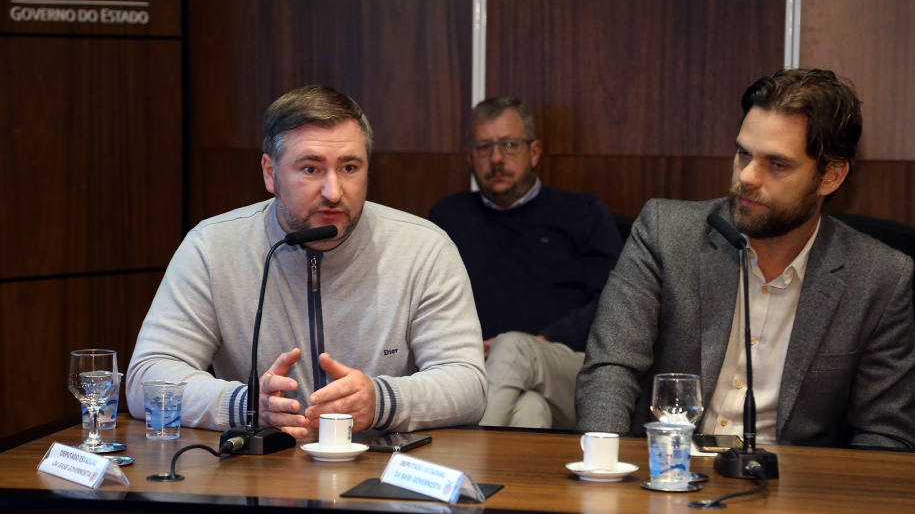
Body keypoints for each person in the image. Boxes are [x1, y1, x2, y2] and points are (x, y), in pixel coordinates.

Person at [576, 68, 915, 448]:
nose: (747, 177)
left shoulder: (881, 278)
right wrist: (605, 467)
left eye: (777, 164)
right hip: (664, 475)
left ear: (830, 176)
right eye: (743, 154)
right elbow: (611, 368)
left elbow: (885, 432)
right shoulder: (665, 234)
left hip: (792, 493)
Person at [126, 86, 486, 437]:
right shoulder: (212, 247)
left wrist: (381, 401)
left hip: (383, 475)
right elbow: (147, 378)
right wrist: (247, 404)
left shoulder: (423, 248)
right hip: (261, 477)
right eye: (311, 169)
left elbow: (468, 385)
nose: (333, 192)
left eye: (349, 167)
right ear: (270, 172)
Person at [429, 97, 623, 429]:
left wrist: (541, 342)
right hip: (482, 368)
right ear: (468, 157)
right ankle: (492, 479)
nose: (496, 159)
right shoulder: (448, 217)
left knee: (513, 346)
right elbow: (426, 303)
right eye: (483, 148)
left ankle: (456, 463)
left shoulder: (583, 213)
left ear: (534, 152)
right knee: (530, 410)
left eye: (509, 145)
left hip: (568, 368)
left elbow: (615, 303)